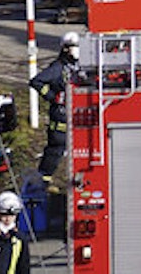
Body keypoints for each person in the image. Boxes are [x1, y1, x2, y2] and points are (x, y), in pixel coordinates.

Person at [29, 32, 80, 188]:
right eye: (74, 47)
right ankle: (41, 185)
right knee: (54, 153)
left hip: (78, 117)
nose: (77, 50)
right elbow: (36, 81)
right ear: (65, 49)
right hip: (60, 121)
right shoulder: (57, 68)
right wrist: (53, 97)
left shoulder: (82, 66)